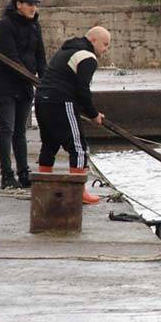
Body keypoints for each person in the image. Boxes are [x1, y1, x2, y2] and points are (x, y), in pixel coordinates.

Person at [35, 25, 110, 205]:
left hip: (41, 99)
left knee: (49, 144)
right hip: (61, 101)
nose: (106, 49)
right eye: (105, 44)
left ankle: (42, 188)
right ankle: (78, 192)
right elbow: (82, 90)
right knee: (78, 147)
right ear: (93, 40)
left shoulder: (67, 50)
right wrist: (93, 114)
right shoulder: (87, 57)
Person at [0, 0, 47, 190]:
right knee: (7, 128)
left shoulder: (35, 26)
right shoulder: (4, 26)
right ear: (18, 4)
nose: (34, 8)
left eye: (35, 4)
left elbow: (40, 55)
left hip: (25, 86)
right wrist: (28, 76)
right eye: (30, 4)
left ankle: (24, 173)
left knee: (20, 132)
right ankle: (6, 175)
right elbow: (10, 58)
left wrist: (45, 80)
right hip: (4, 85)